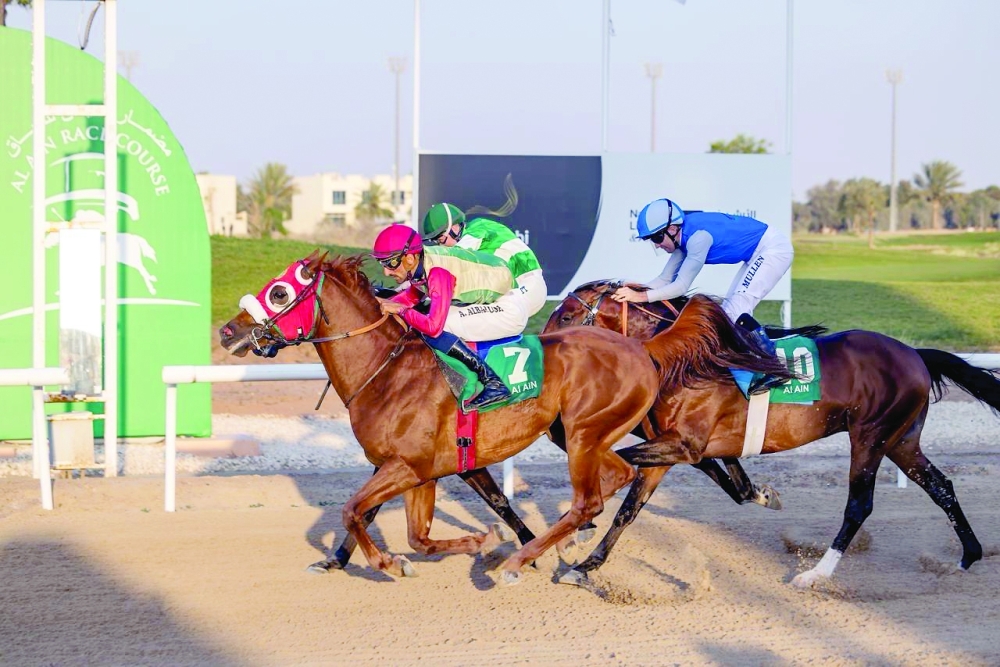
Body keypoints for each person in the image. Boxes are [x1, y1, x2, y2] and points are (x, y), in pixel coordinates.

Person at [611, 198, 794, 394]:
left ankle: (775, 368)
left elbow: (680, 287)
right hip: (759, 251)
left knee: (736, 311)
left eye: (656, 238)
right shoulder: (681, 237)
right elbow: (664, 279)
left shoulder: (698, 238)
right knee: (727, 314)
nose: (656, 246)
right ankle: (745, 365)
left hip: (773, 249)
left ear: (672, 229)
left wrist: (641, 297)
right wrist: (635, 288)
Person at [371, 223, 523, 410]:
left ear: (409, 258)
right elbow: (413, 295)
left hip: (508, 308)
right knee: (423, 314)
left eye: (390, 263)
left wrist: (401, 310)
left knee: (440, 325)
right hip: (496, 297)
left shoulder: (437, 272)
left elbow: (433, 327)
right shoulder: (422, 263)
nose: (386, 271)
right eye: (382, 263)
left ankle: (492, 381)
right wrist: (382, 302)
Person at [420, 202, 547, 319]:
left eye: (441, 240)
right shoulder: (471, 235)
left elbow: (451, 258)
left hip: (527, 287)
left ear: (453, 228)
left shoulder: (476, 229)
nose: (441, 246)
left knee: (456, 318)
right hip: (515, 288)